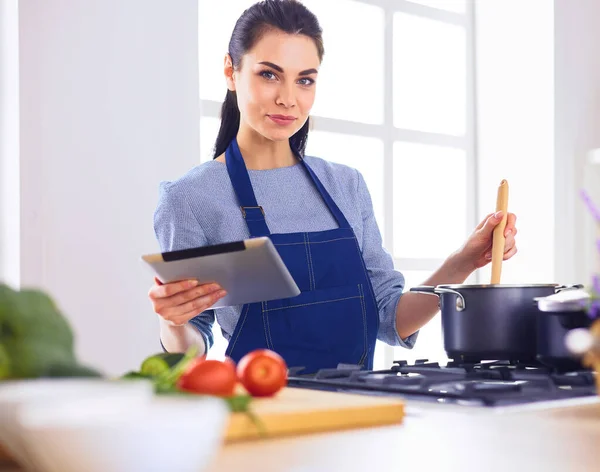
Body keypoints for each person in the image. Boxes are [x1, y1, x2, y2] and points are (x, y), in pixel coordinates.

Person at [148, 0, 518, 373]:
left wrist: (464, 262)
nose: (288, 99)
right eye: (269, 75)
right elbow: (191, 350)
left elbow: (390, 318)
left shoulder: (345, 186)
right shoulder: (190, 198)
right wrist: (173, 321)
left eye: (304, 80)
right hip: (263, 416)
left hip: (358, 414)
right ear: (231, 71)